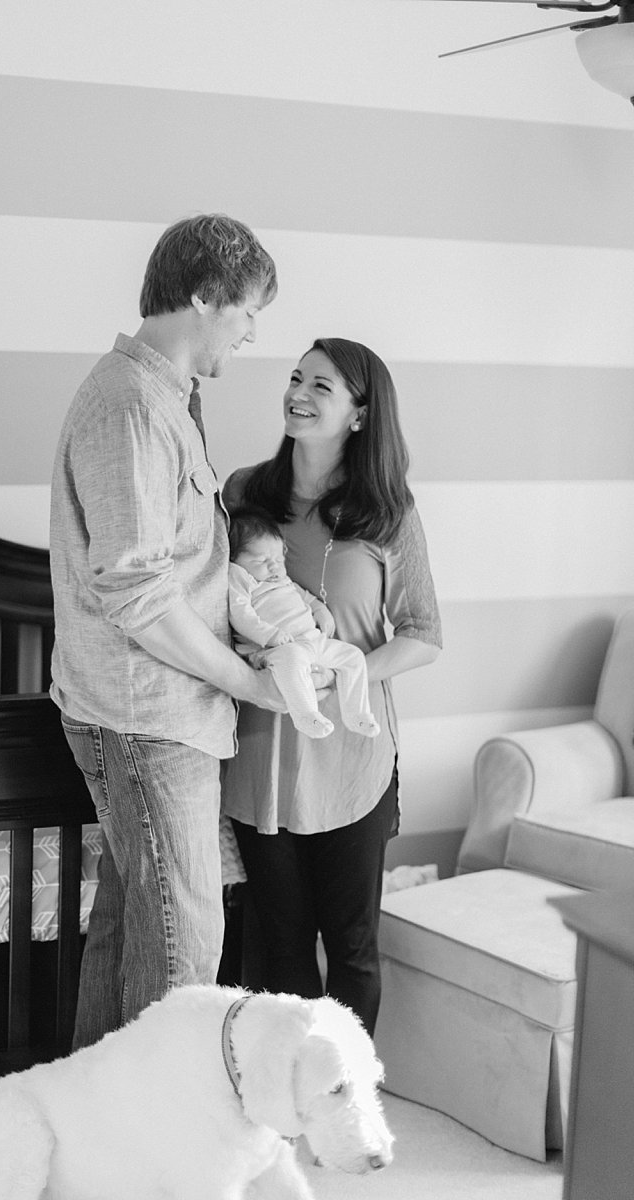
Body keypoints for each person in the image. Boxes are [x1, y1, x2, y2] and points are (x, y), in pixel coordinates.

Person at [49, 213, 291, 1049]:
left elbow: (181, 565)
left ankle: (93, 1144)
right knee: (186, 956)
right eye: (247, 311)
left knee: (133, 936)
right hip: (145, 716)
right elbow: (141, 594)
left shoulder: (167, 400)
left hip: (160, 713)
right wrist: (247, 679)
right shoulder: (129, 406)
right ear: (202, 296)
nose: (254, 331)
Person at [221, 336, 442, 1037]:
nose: (299, 393)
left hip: (353, 752)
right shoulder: (241, 494)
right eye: (295, 378)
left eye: (321, 385)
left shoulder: (389, 513)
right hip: (259, 754)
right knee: (279, 946)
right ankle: (291, 1093)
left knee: (349, 946)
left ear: (359, 412)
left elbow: (422, 633)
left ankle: (346, 1095)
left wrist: (335, 670)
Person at [227, 506, 380, 740]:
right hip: (274, 649)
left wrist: (321, 611)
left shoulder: (282, 580)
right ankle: (306, 715)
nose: (274, 566)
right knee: (292, 661)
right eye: (261, 560)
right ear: (235, 561)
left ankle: (357, 713)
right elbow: (240, 615)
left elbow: (305, 596)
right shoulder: (241, 579)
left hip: (313, 641)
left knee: (353, 657)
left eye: (279, 558)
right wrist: (269, 635)